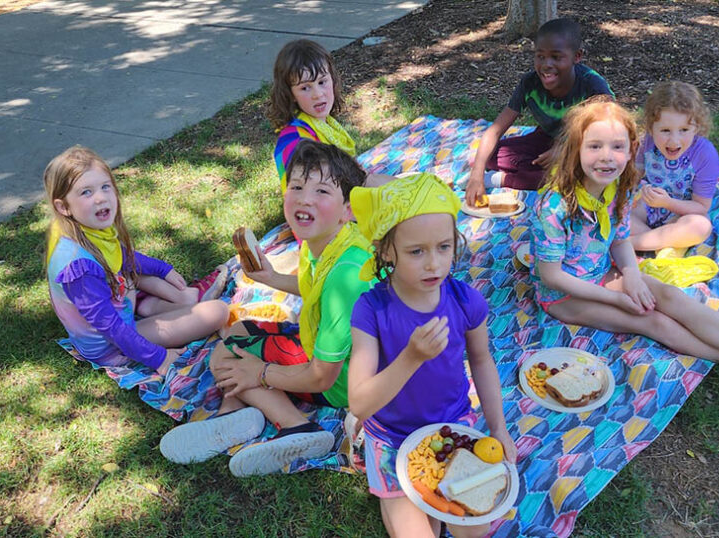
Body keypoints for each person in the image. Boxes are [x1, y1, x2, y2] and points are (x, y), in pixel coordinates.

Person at [530, 98, 719, 395]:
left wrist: (633, 278)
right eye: (594, 146)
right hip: (564, 296)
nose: (606, 156)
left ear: (631, 151)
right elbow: (552, 277)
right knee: (652, 320)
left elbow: (620, 239)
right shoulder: (554, 205)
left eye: (617, 146)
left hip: (600, 274)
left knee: (668, 294)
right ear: (576, 149)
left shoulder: (617, 188)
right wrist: (619, 299)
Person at [159, 140, 374, 476]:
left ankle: (298, 426)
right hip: (328, 350)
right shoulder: (327, 241)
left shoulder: (347, 276)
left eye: (321, 191)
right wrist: (272, 277)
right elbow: (312, 286)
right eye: (297, 187)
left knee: (225, 356)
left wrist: (258, 373)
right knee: (240, 331)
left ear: (348, 209)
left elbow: (322, 375)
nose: (304, 198)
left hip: (343, 381)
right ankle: (238, 413)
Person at [347, 173, 517, 538]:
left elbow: (483, 360)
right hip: (391, 438)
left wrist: (498, 427)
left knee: (474, 529)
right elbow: (359, 403)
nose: (434, 264)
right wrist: (411, 356)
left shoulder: (465, 300)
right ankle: (380, 474)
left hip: (451, 429)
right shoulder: (371, 310)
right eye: (416, 251)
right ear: (386, 250)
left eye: (443, 247)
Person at [44, 146, 229, 375]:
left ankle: (185, 299)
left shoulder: (79, 229)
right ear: (63, 207)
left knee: (132, 272)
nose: (100, 197)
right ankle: (187, 303)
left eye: (105, 187)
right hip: (114, 346)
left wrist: (164, 270)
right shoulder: (78, 268)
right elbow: (112, 329)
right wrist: (159, 358)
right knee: (219, 312)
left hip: (119, 307)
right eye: (86, 193)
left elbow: (123, 257)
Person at [465, 17, 613, 205]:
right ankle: (544, 176)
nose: (546, 64)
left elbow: (610, 132)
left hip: (584, 145)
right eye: (540, 56)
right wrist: (476, 175)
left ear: (577, 56)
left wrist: (564, 151)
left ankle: (504, 180)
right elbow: (495, 129)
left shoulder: (592, 85)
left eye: (556, 57)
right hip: (547, 139)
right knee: (491, 157)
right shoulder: (530, 83)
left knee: (583, 175)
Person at [629, 81, 719, 253]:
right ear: (650, 128)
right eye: (665, 131)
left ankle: (630, 244)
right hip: (646, 205)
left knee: (701, 226)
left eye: (684, 130)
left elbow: (701, 207)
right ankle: (660, 244)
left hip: (682, 212)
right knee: (616, 216)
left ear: (697, 127)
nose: (674, 140)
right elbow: (634, 175)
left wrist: (667, 203)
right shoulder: (646, 142)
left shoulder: (705, 154)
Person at [267, 39, 356, 194]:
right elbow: (310, 199)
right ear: (290, 94)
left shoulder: (325, 123)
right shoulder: (296, 141)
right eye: (305, 87)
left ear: (332, 79)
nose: (318, 94)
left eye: (322, 82)